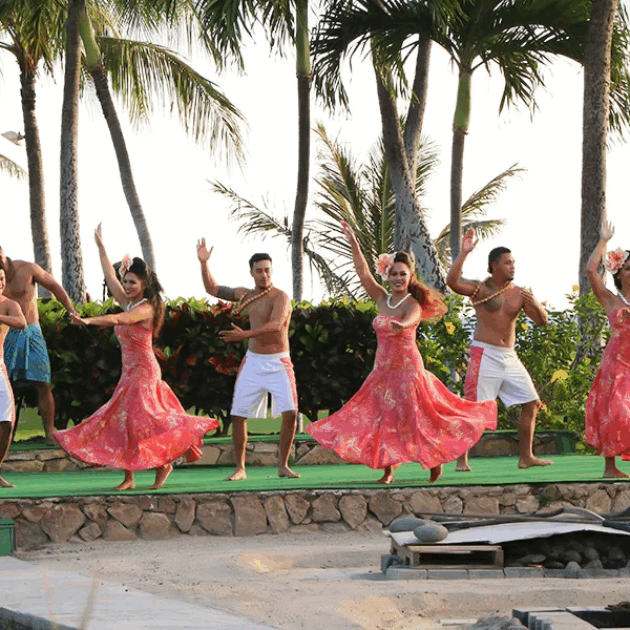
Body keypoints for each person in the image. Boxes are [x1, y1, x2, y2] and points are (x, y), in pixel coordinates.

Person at [306, 222, 497, 484]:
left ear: (410, 277)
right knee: (383, 419)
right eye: (394, 274)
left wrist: (402, 325)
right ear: (389, 276)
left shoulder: (411, 304)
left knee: (420, 419)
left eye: (402, 274)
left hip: (408, 372)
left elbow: (412, 318)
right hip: (382, 372)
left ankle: (435, 461)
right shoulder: (382, 299)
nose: (397, 278)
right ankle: (388, 470)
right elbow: (363, 273)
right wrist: (353, 242)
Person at [54, 226, 218, 490]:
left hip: (144, 371)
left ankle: (165, 462)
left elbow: (118, 319)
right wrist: (101, 247)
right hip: (129, 372)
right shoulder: (129, 301)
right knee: (124, 423)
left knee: (142, 420)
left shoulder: (145, 308)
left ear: (144, 285)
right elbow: (109, 276)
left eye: (132, 282)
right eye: (126, 281)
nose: (126, 286)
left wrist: (87, 320)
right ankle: (129, 477)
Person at [446, 227, 552, 471]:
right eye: (507, 263)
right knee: (474, 407)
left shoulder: (519, 294)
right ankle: (461, 460)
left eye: (513, 262)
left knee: (531, 402)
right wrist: (464, 252)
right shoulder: (481, 289)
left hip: (509, 356)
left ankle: (526, 457)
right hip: (484, 354)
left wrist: (533, 301)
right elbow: (452, 282)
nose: (512, 266)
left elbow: (543, 321)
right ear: (494, 266)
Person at [196, 238, 300, 481]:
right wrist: (203, 263)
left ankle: (283, 465)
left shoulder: (280, 297)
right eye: (259, 271)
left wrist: (245, 335)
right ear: (251, 273)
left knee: (291, 413)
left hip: (279, 363)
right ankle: (240, 468)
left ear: (271, 271)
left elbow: (276, 326)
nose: (264, 275)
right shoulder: (245, 294)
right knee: (238, 414)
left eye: (267, 270)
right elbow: (212, 289)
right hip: (253, 362)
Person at [0, 246, 77, 445]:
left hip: (32, 332)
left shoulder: (27, 269)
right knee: (5, 386)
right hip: (5, 335)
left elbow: (54, 287)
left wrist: (70, 310)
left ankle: (49, 433)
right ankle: (6, 438)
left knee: (42, 382)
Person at [585, 220, 630, 478]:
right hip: (616, 365)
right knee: (616, 414)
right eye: (628, 269)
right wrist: (603, 241)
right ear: (618, 274)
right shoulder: (611, 300)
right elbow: (591, 271)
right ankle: (610, 468)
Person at [0, 261, 27, 487]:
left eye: (2, 279)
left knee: (7, 422)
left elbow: (22, 323)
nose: (0, 283)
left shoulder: (8, 305)